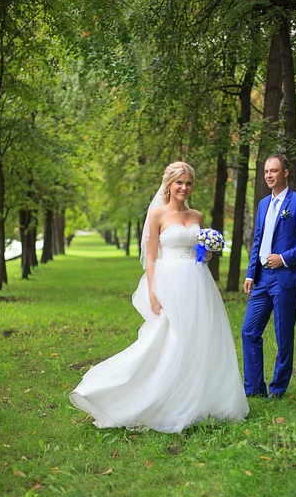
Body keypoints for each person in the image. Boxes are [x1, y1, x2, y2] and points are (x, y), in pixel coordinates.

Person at [70, 161, 249, 432]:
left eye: (189, 183)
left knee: (199, 338)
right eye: (179, 182)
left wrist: (208, 251)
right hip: (170, 282)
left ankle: (201, 400)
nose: (184, 188)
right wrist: (153, 293)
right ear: (169, 184)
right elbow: (151, 259)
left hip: (199, 283)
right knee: (168, 339)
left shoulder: (197, 217)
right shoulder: (157, 215)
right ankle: (141, 396)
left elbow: (200, 253)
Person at [242, 153, 296, 400]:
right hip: (262, 278)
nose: (268, 176)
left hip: (285, 277)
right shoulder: (263, 204)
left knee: (283, 334)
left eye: (273, 171)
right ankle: (254, 388)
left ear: (285, 173)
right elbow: (258, 240)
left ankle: (277, 389)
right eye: (266, 172)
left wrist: (284, 258)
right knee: (249, 331)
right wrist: (250, 273)